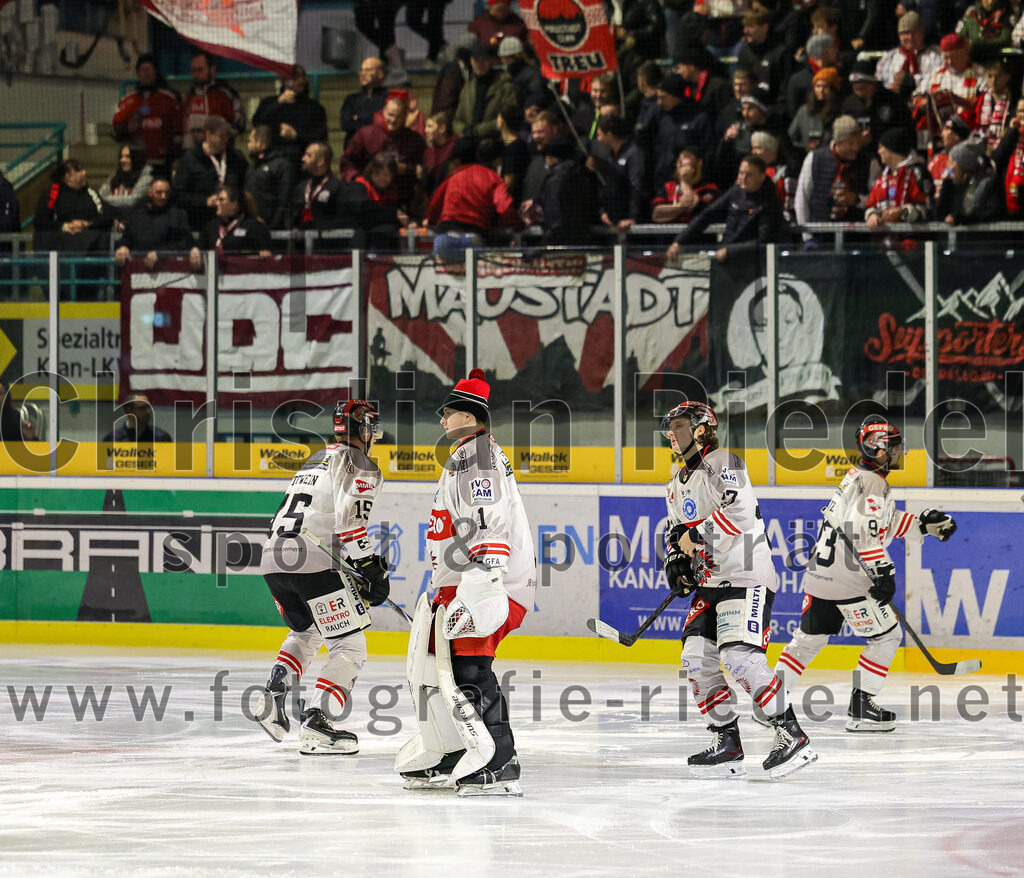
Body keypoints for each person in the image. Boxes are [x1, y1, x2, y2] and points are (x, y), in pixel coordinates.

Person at [395, 370, 535, 795]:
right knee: (436, 671)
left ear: (470, 415)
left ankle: (500, 758)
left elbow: (487, 521)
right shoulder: (467, 454)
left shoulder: (478, 457)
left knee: (470, 669)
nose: (441, 419)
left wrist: (485, 583)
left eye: (448, 412)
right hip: (463, 582)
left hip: (486, 583)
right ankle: (455, 751)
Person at [659, 401, 816, 779]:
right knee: (696, 659)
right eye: (669, 428)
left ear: (701, 429)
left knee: (741, 658)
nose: (671, 433)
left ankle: (790, 733)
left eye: (679, 426)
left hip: (746, 578)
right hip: (710, 584)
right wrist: (676, 562)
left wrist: (693, 537)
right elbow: (674, 532)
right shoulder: (674, 485)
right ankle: (726, 740)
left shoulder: (724, 463)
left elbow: (739, 514)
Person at [773, 417, 957, 732]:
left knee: (807, 642)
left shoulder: (858, 477)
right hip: (850, 580)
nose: (900, 451)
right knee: (888, 636)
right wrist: (884, 573)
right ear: (878, 449)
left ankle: (769, 704)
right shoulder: (875, 483)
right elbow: (863, 534)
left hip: (821, 575)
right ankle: (861, 706)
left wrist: (921, 524)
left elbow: (876, 522)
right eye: (895, 446)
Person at [254, 399, 391, 754]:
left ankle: (273, 697)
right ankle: (317, 721)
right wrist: (370, 567)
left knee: (306, 630)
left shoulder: (315, 459)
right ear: (363, 430)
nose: (373, 436)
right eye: (371, 428)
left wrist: (358, 567)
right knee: (350, 647)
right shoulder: (362, 463)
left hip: (272, 558)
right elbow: (350, 526)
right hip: (313, 562)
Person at [667, 154, 789, 263]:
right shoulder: (736, 192)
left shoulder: (769, 203)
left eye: (749, 175)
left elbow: (764, 241)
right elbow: (707, 215)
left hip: (753, 263)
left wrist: (730, 251)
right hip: (726, 258)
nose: (743, 178)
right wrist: (680, 241)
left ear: (762, 177)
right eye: (741, 173)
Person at [426, 137, 522, 262]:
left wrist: (430, 221)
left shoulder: (455, 174)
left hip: (445, 239)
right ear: (498, 162)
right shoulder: (495, 179)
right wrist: (520, 225)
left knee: (440, 279)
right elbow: (505, 209)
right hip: (473, 240)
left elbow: (434, 204)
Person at [794, 115, 876, 240]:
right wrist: (807, 236)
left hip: (856, 238)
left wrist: (857, 200)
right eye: (850, 143)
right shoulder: (815, 158)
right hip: (820, 236)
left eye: (858, 142)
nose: (855, 147)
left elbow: (877, 200)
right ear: (838, 142)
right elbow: (801, 198)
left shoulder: (869, 163)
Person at [339, 94, 426, 211]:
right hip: (368, 195)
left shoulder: (414, 140)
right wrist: (358, 181)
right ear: (383, 112)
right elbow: (347, 161)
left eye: (398, 116)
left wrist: (407, 169)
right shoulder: (366, 134)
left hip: (402, 196)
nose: (394, 120)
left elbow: (424, 168)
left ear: (405, 117)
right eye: (391, 115)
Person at [172, 115, 249, 232]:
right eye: (221, 136)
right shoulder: (191, 159)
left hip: (233, 222)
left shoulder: (236, 157)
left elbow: (245, 185)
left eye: (227, 135)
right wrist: (204, 201)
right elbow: (178, 196)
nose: (225, 139)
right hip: (202, 222)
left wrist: (236, 201)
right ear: (208, 134)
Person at [111, 53, 181, 171]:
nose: (146, 73)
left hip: (161, 162)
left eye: (149, 69)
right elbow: (115, 131)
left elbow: (178, 131)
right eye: (143, 70)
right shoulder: (128, 100)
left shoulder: (169, 99)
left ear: (156, 72)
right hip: (135, 163)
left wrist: (175, 157)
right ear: (138, 73)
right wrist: (126, 128)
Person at [251, 66, 329, 170]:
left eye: (301, 77)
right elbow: (257, 123)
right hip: (271, 160)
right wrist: (278, 103)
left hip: (301, 161)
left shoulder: (314, 108)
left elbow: (321, 137)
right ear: (284, 80)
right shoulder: (270, 103)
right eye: (294, 77)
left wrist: (296, 135)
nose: (299, 81)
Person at [33, 159, 114, 253]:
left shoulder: (93, 195)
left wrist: (86, 224)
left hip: (91, 251)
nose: (84, 172)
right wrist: (65, 226)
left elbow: (108, 218)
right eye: (79, 170)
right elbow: (40, 222)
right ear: (68, 176)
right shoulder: (51, 196)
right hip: (61, 252)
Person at [114, 177, 193, 269]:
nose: (163, 196)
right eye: (159, 192)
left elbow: (184, 243)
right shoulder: (136, 215)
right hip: (138, 266)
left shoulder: (177, 215)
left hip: (168, 266)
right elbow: (127, 238)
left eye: (166, 193)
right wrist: (123, 247)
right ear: (150, 193)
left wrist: (160, 253)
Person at [865, 127, 933, 227]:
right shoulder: (882, 178)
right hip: (882, 240)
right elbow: (870, 205)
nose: (878, 151)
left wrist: (902, 212)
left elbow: (925, 208)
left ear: (892, 149)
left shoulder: (916, 174)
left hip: (911, 239)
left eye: (881, 147)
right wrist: (873, 215)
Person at [190, 186, 272, 268]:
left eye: (221, 200)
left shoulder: (255, 226)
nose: (217, 203)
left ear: (234, 204)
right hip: (213, 275)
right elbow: (199, 246)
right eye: (217, 200)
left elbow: (266, 253)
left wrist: (264, 254)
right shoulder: (211, 226)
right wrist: (195, 250)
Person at [180, 50, 245, 150]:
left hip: (220, 153)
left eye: (200, 70)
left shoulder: (225, 94)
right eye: (193, 71)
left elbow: (239, 124)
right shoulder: (188, 97)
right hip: (192, 156)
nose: (196, 74)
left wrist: (217, 136)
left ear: (212, 69)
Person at [453, 41, 518, 140]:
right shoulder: (468, 87)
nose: (480, 64)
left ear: (490, 61)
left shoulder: (505, 85)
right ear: (471, 61)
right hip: (468, 139)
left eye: (484, 59)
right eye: (476, 60)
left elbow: (505, 117)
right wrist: (464, 130)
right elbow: (457, 120)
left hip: (494, 139)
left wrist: (478, 130)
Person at [935, 141, 1001, 224]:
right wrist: (946, 188)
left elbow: (986, 215)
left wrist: (961, 219)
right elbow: (939, 215)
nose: (950, 167)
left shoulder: (984, 184)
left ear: (963, 165)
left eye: (952, 162)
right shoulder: (952, 186)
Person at [245, 125, 297, 230]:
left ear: (261, 144)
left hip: (274, 229)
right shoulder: (253, 167)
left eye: (250, 141)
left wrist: (273, 226)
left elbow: (285, 201)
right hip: (253, 226)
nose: (248, 145)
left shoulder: (282, 165)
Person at [651, 148, 719, 223]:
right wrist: (680, 207)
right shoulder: (669, 186)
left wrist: (684, 181)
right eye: (678, 159)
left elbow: (697, 208)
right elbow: (656, 214)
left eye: (686, 157)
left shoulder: (710, 188)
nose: (679, 162)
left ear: (699, 162)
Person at [341, 57, 389, 145]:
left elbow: (383, 125)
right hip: (354, 148)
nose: (363, 74)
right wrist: (371, 119)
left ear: (380, 74)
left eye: (368, 70)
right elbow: (346, 124)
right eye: (361, 70)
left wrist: (358, 119)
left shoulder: (388, 99)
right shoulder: (351, 99)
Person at [100, 144, 153, 215]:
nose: (122, 160)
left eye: (127, 157)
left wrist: (106, 200)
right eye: (121, 157)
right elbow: (101, 195)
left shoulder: (146, 177)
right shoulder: (115, 175)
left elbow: (132, 201)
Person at [928, 115, 971, 196]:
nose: (942, 134)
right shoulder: (937, 159)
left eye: (947, 129)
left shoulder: (966, 163)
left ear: (957, 136)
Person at [103, 392, 172, 442]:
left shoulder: (161, 438)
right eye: (142, 408)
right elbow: (108, 462)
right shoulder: (113, 439)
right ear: (128, 410)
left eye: (148, 407)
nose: (148, 412)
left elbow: (168, 462)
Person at [499, 36, 542, 109]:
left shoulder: (532, 74)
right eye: (503, 58)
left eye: (507, 58)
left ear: (517, 56)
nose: (504, 62)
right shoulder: (505, 75)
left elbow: (535, 97)